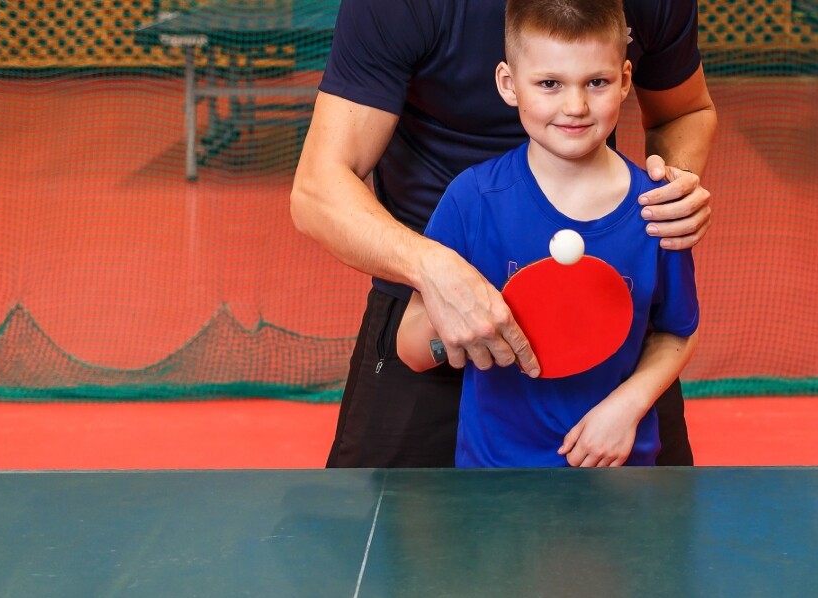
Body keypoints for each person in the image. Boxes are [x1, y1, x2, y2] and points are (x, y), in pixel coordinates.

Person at [291, 0, 715, 468]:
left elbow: (686, 110)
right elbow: (317, 190)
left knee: (660, 532)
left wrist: (666, 199)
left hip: (609, 321)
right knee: (389, 529)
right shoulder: (468, 199)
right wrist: (438, 273)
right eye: (550, 83)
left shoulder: (640, 212)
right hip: (427, 275)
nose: (574, 105)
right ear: (508, 83)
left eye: (595, 82)